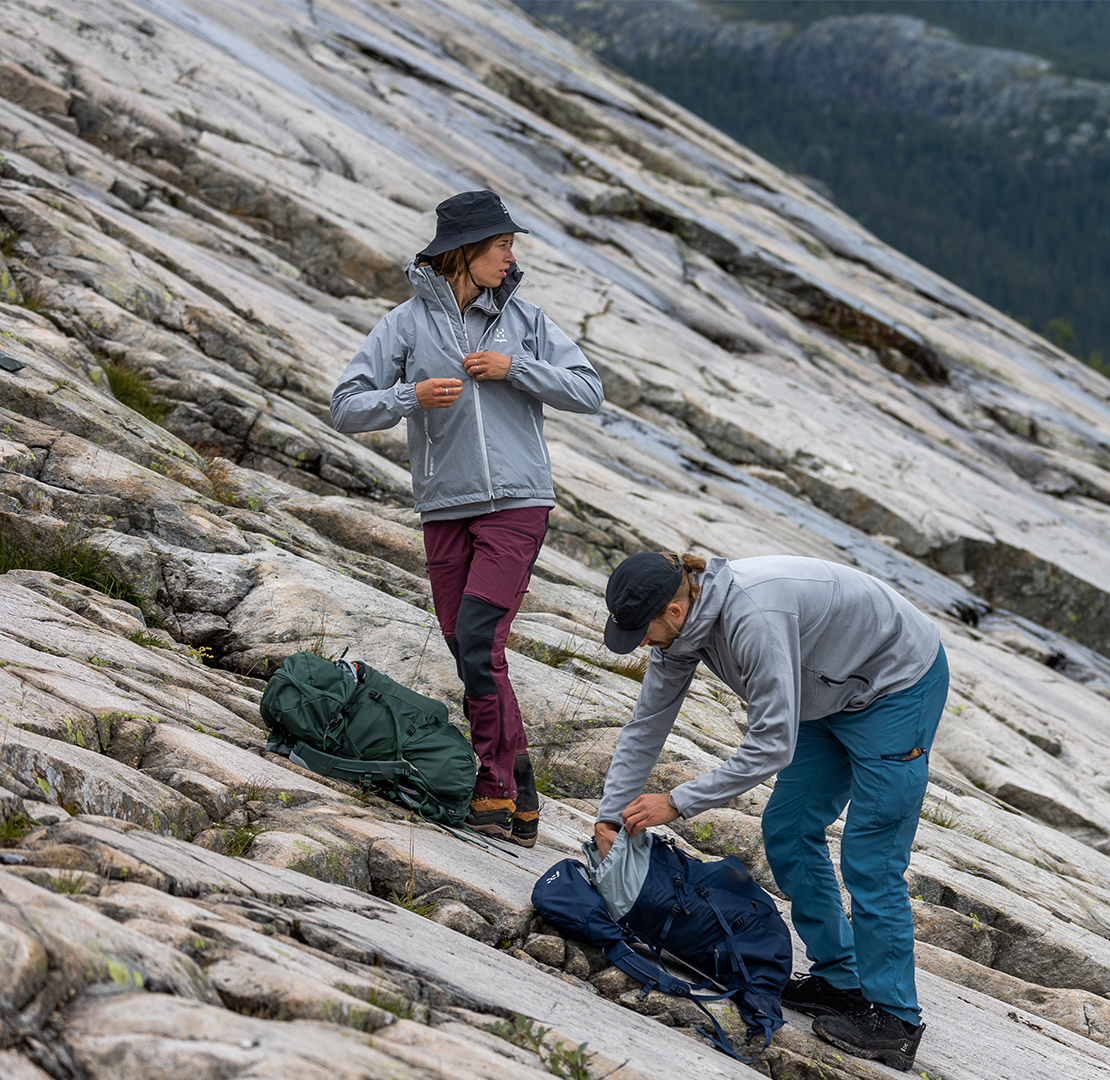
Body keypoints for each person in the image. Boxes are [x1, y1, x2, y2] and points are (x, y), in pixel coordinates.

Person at [598, 552, 947, 1072]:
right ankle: (842, 980)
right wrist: (609, 814)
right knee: (787, 827)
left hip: (894, 688)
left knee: (871, 860)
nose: (641, 643)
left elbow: (770, 747)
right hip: (823, 691)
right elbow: (648, 720)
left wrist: (676, 802)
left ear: (674, 609)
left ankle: (895, 1020)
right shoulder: (680, 631)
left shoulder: (752, 618)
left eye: (643, 630)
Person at [330, 190, 602, 846]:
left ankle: (493, 785)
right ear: (464, 252)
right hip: (444, 506)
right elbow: (345, 405)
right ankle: (522, 783)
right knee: (465, 645)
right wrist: (407, 396)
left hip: (517, 503)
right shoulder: (404, 326)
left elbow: (589, 390)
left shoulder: (525, 320)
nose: (512, 257)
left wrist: (519, 370)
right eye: (501, 245)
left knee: (480, 640)